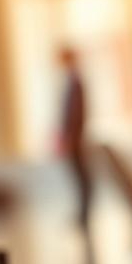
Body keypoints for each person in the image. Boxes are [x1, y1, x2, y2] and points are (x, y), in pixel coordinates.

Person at [58, 46, 90, 229]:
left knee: (82, 178)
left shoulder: (75, 82)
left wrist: (71, 137)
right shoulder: (72, 80)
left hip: (76, 139)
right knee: (79, 178)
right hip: (74, 138)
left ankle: (84, 215)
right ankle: (82, 214)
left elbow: (76, 114)